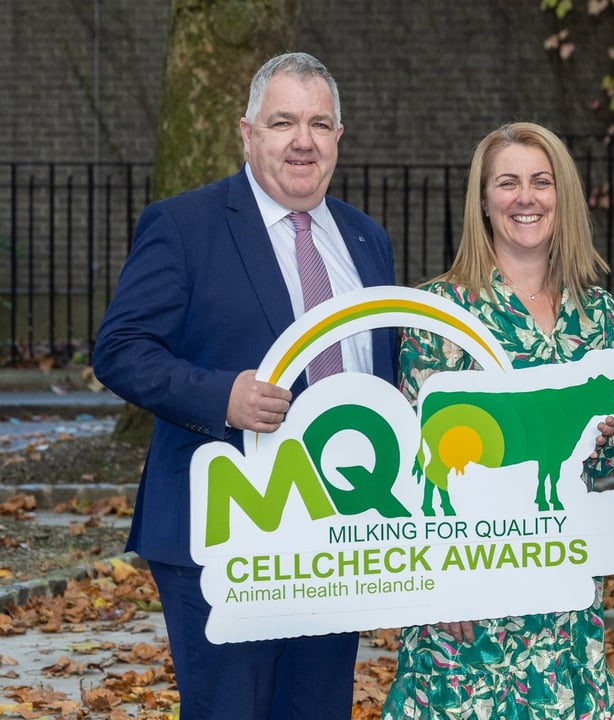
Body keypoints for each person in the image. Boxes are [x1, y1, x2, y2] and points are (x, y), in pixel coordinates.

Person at [93, 52, 397, 719]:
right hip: (224, 533)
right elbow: (119, 349)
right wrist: (219, 397)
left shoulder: (367, 241)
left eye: (319, 124)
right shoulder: (184, 226)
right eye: (283, 122)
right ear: (248, 132)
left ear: (339, 136)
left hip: (336, 538)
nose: (302, 141)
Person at [383, 121, 614, 719]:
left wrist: (610, 434)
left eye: (541, 182)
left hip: (564, 580)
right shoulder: (442, 312)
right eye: (508, 183)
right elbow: (420, 459)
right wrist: (441, 585)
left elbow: (609, 455)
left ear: (561, 196)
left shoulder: (599, 314)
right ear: (483, 201)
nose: (526, 197)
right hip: (470, 589)